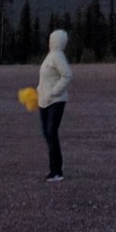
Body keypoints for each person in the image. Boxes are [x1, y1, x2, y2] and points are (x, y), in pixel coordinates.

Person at [36, 28, 72, 181]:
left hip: (56, 101)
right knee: (47, 134)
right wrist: (38, 92)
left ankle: (56, 171)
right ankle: (55, 170)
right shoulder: (51, 56)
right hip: (44, 101)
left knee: (51, 133)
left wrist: (54, 92)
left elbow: (67, 75)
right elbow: (45, 79)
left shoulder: (58, 57)